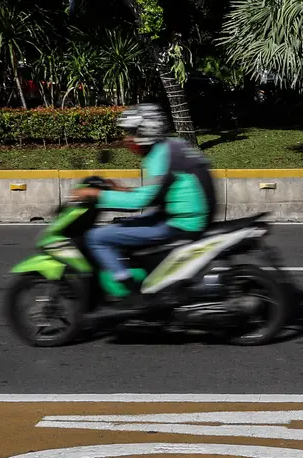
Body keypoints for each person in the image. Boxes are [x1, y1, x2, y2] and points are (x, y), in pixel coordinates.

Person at [71, 104, 217, 315]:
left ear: (146, 131)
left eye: (132, 133)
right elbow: (157, 191)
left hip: (180, 221)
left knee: (97, 237)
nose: (128, 139)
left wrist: (96, 195)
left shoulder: (160, 154)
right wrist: (122, 189)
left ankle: (132, 293)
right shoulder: (171, 146)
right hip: (182, 215)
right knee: (121, 227)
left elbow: (142, 200)